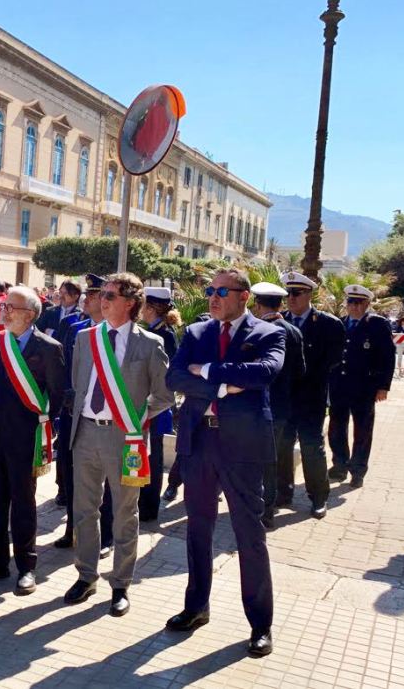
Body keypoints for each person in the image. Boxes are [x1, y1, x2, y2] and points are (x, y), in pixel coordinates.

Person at [165, 268, 284, 657]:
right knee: (197, 528)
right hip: (200, 441)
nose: (212, 297)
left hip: (242, 447)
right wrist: (221, 385)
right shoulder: (197, 333)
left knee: (249, 535)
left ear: (244, 296)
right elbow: (175, 377)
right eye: (209, 290)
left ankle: (260, 624)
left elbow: (264, 372)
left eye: (221, 291)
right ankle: (196, 606)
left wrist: (211, 370)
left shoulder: (268, 333)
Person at [62, 273, 173, 617]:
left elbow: (165, 394)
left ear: (131, 302)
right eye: (101, 294)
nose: (102, 299)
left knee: (125, 513)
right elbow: (79, 385)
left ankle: (121, 583)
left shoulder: (149, 343)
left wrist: (139, 418)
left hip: (125, 438)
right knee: (84, 509)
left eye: (109, 294)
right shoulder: (85, 338)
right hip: (86, 434)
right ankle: (86, 575)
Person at [0, 286, 64, 594]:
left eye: (11, 307)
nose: (4, 310)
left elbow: (58, 395)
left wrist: (44, 427)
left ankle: (26, 566)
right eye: (5, 305)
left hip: (26, 437)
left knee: (23, 503)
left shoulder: (49, 347)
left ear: (30, 314)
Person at [54, 274, 114, 550]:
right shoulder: (72, 325)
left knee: (107, 480)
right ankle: (73, 530)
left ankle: (106, 535)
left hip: (105, 418)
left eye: (92, 295)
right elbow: (63, 364)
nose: (85, 299)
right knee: (71, 469)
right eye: (87, 294)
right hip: (73, 412)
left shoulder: (117, 332)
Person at [278, 271, 342, 517]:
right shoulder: (278, 321)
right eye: (288, 294)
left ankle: (318, 497)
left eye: (296, 293)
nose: (291, 299)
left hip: (311, 398)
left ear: (309, 294)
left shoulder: (328, 324)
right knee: (282, 447)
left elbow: (333, 359)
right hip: (284, 398)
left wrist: (304, 372)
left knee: (312, 448)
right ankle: (283, 493)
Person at [250, 282, 305, 530]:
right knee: (271, 460)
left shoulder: (256, 330)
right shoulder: (294, 331)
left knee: (258, 461)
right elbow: (300, 371)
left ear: (258, 305)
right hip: (283, 406)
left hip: (257, 406)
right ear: (280, 304)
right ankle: (267, 510)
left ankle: (261, 510)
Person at [327, 285, 394, 488]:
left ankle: (358, 470)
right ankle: (339, 465)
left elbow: (387, 357)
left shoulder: (377, 325)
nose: (354, 307)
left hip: (364, 387)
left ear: (367, 304)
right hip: (339, 385)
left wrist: (383, 386)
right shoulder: (339, 323)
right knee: (336, 427)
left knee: (362, 430)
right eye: (350, 302)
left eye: (358, 303)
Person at [137, 286, 181, 522]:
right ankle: (144, 502)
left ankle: (149, 506)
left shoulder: (164, 335)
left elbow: (166, 375)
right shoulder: (156, 330)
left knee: (153, 454)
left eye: (143, 305)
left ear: (151, 308)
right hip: (149, 401)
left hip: (156, 404)